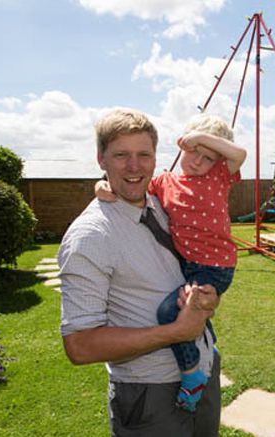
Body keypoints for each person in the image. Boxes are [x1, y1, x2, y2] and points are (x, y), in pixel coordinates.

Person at [58, 108, 221, 436]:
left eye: (143, 155)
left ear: (155, 157)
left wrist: (206, 298)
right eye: (121, 155)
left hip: (204, 369)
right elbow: (79, 345)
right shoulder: (90, 236)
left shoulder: (160, 204)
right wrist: (176, 331)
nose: (134, 167)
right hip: (150, 393)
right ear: (101, 159)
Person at [95, 113, 246, 411]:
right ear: (182, 147)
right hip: (187, 265)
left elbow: (239, 153)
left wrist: (200, 139)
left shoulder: (219, 177)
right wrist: (100, 186)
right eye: (193, 153)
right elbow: (131, 186)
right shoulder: (165, 182)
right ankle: (203, 352)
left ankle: (192, 375)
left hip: (215, 266)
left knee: (169, 313)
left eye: (207, 156)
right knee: (190, 311)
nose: (197, 161)